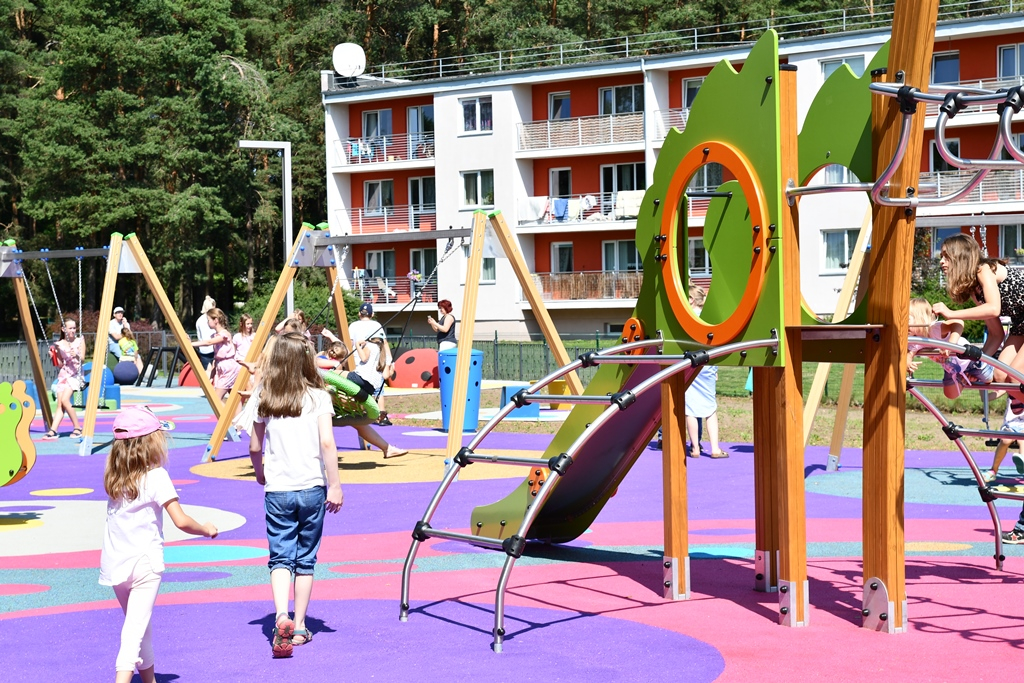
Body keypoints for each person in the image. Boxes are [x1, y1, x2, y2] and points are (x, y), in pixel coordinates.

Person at [99, 406, 218, 683]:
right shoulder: (156, 476)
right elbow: (180, 520)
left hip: (117, 564)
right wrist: (204, 529)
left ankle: (149, 680)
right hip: (145, 564)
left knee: (140, 626)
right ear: (150, 443)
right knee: (134, 630)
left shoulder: (115, 477)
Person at [248, 333, 344, 658]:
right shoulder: (319, 397)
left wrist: (260, 472)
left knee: (279, 555)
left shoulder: (265, 395)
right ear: (307, 360)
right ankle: (301, 625)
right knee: (306, 558)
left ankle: (280, 615)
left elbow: (254, 446)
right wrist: (335, 485)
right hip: (312, 487)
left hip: (278, 489)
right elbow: (327, 443)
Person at [932, 234, 1023, 404]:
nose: (941, 262)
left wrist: (951, 313)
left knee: (1015, 377)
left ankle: (1019, 401)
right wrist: (975, 365)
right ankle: (1019, 402)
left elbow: (993, 308)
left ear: (960, 256)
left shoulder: (984, 269)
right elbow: (996, 334)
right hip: (1021, 324)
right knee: (999, 375)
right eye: (941, 257)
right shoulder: (974, 289)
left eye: (946, 256)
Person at [907, 297, 992, 400]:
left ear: (920, 318)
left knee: (989, 379)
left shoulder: (935, 329)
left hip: (969, 361)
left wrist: (950, 345)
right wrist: (907, 363)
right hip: (951, 368)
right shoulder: (915, 340)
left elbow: (958, 323)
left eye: (907, 319)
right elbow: (909, 354)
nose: (904, 324)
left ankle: (978, 370)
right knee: (950, 395)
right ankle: (964, 378)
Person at [684, 286, 727, 459]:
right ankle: (715, 448)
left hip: (690, 363)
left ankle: (695, 448)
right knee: (710, 408)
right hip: (707, 364)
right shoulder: (709, 319)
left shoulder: (687, 318)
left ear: (691, 300)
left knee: (690, 409)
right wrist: (715, 368)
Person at [348, 303, 393, 425]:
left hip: (358, 359)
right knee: (379, 388)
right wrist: (389, 360)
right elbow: (384, 343)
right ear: (372, 314)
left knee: (358, 388)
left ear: (359, 314)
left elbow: (349, 343)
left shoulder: (353, 325)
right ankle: (382, 415)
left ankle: (360, 413)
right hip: (375, 359)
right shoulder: (376, 325)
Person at [42, 317, 86, 441]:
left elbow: (82, 359)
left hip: (75, 374)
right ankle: (53, 430)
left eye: (74, 328)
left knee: (66, 400)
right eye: (70, 328)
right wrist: (53, 356)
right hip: (64, 374)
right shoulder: (59, 344)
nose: (73, 330)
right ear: (63, 329)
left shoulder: (80, 340)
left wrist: (76, 355)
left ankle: (77, 428)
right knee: (60, 404)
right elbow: (60, 364)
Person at [191, 307, 238, 400]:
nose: (207, 323)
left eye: (208, 320)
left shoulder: (224, 334)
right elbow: (216, 359)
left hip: (228, 368)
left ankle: (225, 414)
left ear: (215, 320)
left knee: (216, 399)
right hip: (222, 368)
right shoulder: (215, 335)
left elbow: (208, 342)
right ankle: (234, 414)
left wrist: (190, 344)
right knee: (234, 400)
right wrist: (212, 375)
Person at [983, 400, 1024, 483]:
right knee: (1005, 440)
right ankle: (993, 470)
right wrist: (982, 388)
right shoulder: (1011, 390)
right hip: (1010, 425)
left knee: (1022, 438)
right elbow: (988, 397)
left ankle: (1022, 461)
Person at [194, 296, 217, 370]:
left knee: (207, 373)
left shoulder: (199, 320)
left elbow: (199, 336)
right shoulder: (213, 319)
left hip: (203, 349)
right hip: (214, 348)